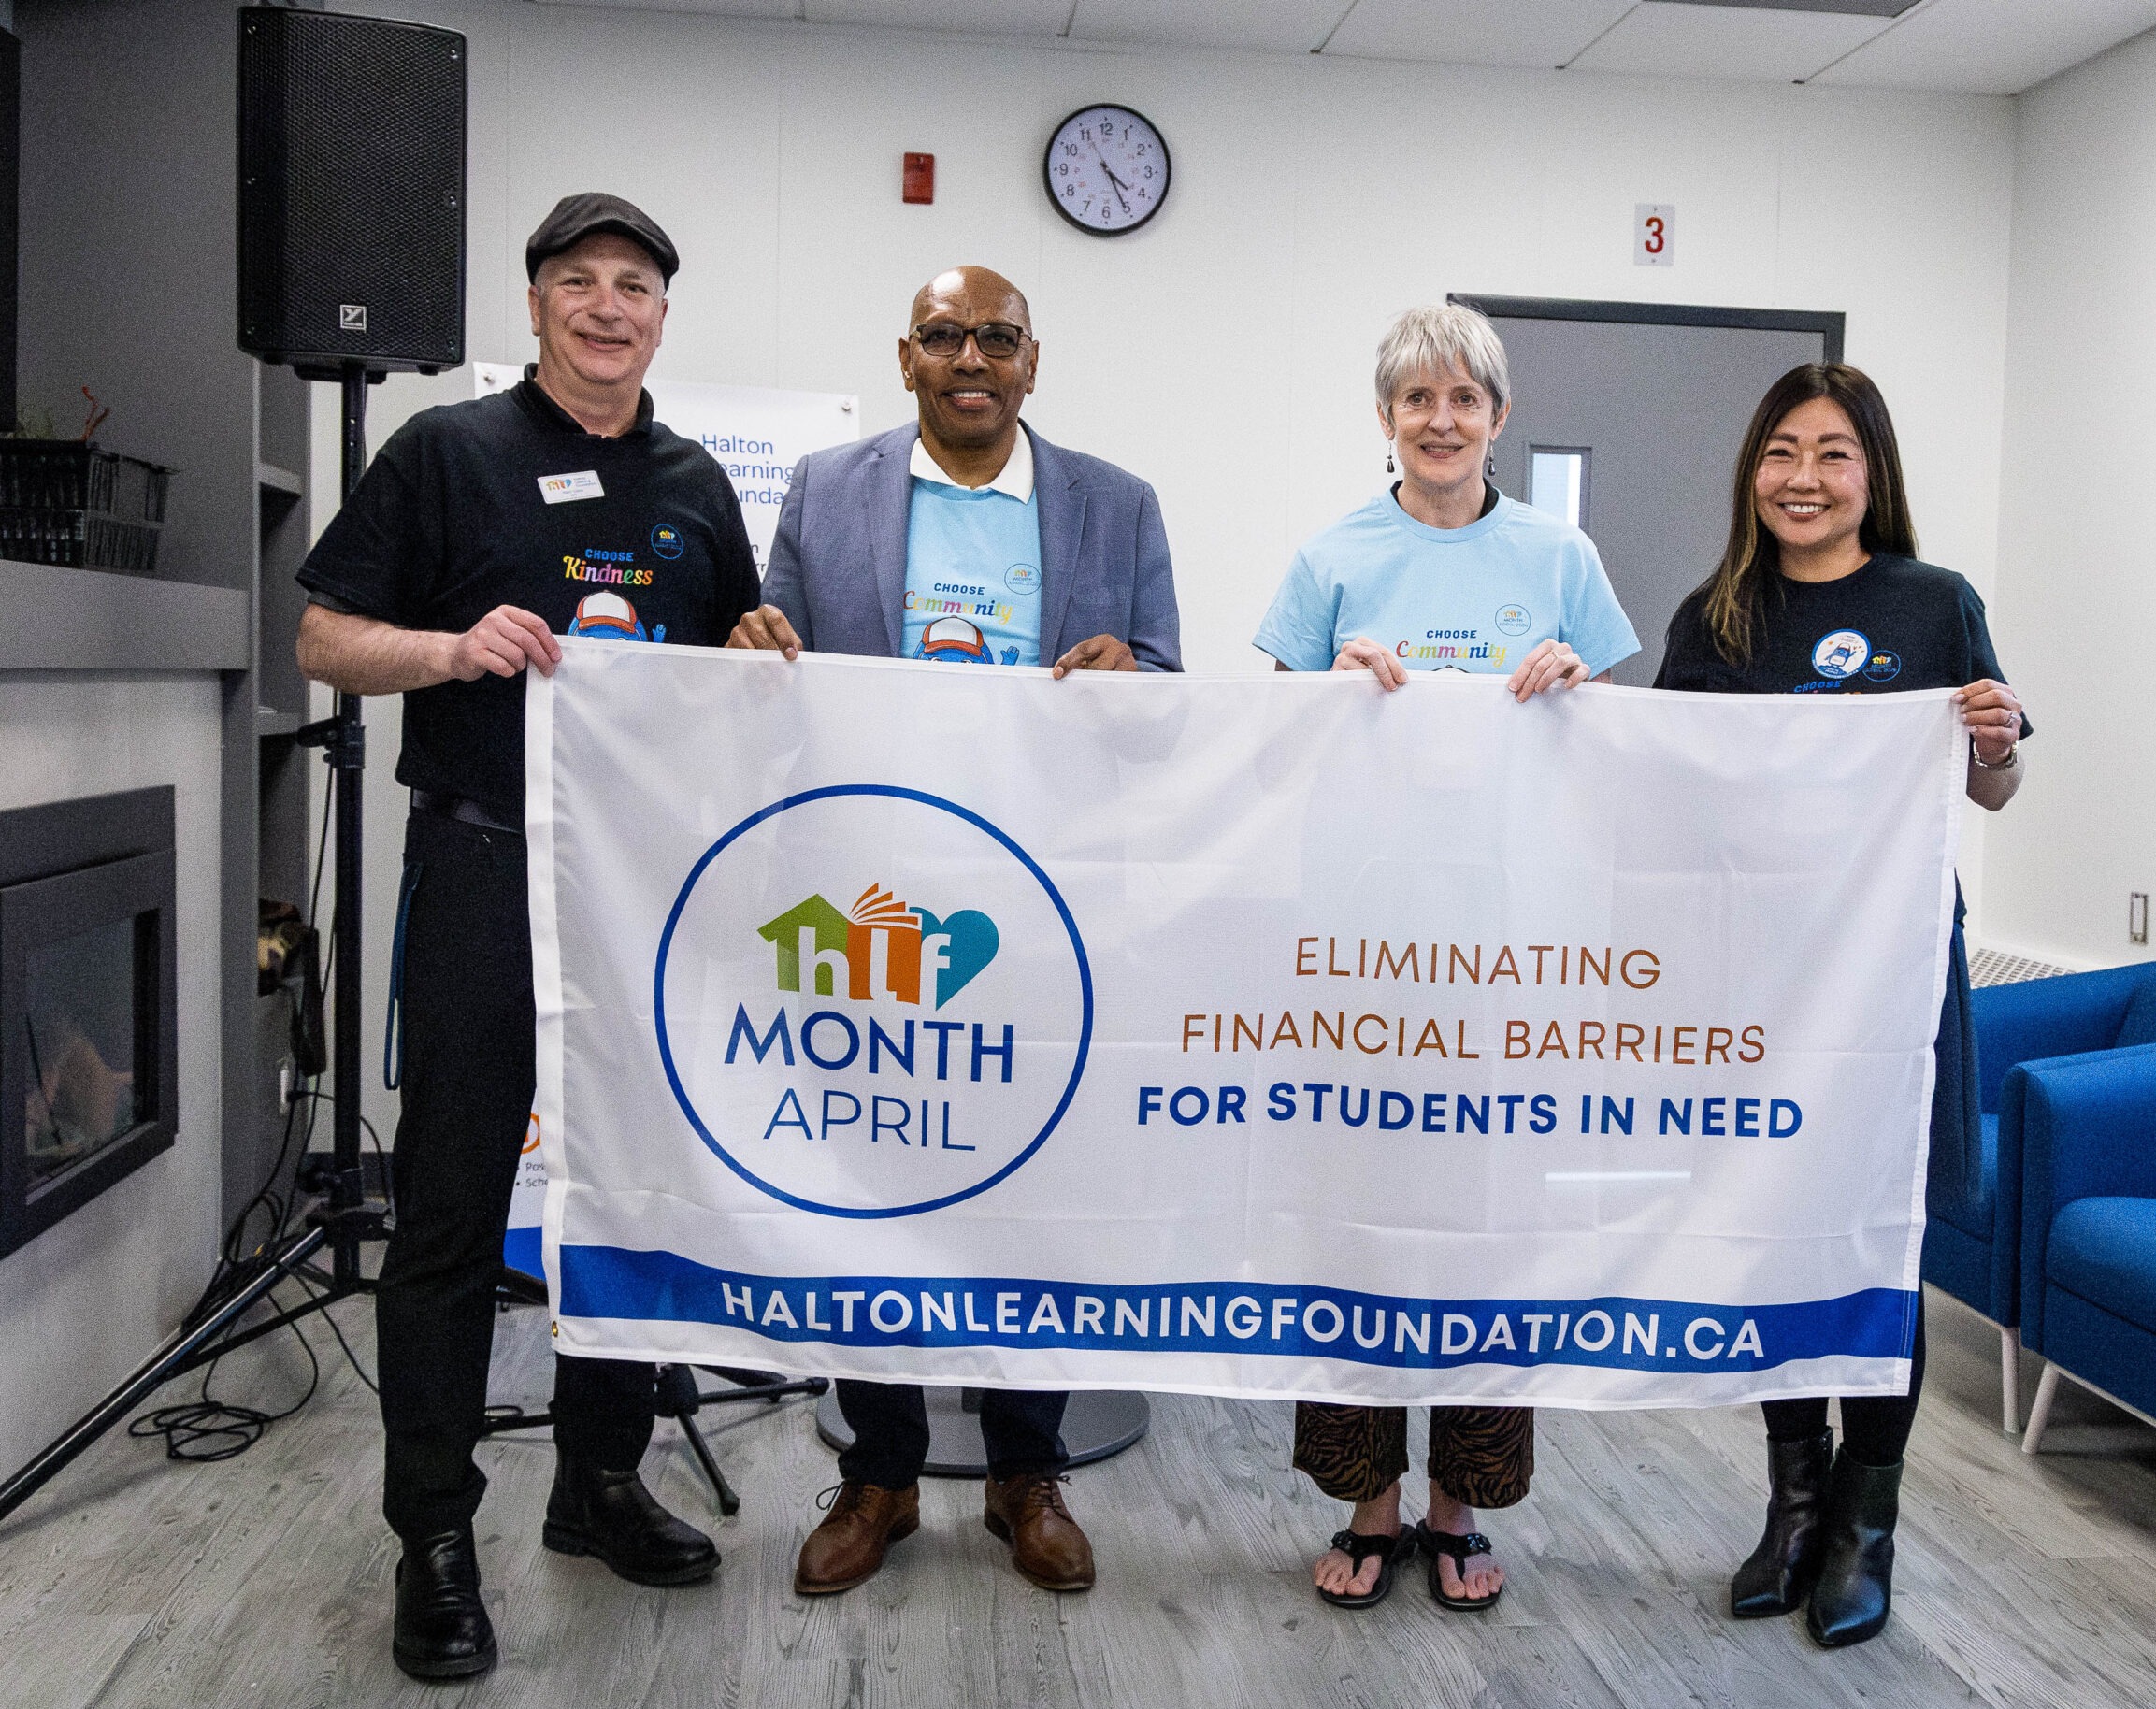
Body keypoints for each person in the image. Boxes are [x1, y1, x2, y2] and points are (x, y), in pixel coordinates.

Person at [296, 194, 758, 1682]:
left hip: (646, 891)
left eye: (635, 287)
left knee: (633, 1197)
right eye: (581, 284)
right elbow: (320, 635)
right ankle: (433, 1533)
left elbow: (733, 664)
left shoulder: (694, 485)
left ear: (662, 317)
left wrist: (764, 649)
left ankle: (601, 1480)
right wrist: (446, 648)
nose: (609, 308)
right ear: (539, 303)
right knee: (448, 1204)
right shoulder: (445, 452)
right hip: (488, 869)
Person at [726, 264, 1181, 1597]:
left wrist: (1132, 679)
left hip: (1044, 902)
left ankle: (1023, 1471)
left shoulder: (1117, 503)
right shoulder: (825, 490)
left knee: (1038, 1182)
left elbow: (1164, 685)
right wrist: (758, 646)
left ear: (1034, 361)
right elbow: (778, 669)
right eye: (944, 335)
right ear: (908, 356)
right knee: (873, 1177)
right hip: (876, 896)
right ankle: (881, 1475)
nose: (969, 356)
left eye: (997, 336)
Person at [1251, 302, 1640, 1612]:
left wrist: (1578, 687)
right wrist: (1326, 691)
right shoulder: (1331, 560)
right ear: (1384, 418)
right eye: (1415, 398)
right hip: (1358, 952)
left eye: (1464, 397)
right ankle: (1369, 1502)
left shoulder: (1561, 554)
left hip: (1507, 951)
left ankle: (1461, 1505)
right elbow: (1262, 749)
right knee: (1354, 1219)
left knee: (1487, 1229)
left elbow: (1623, 751)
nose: (1440, 419)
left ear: (1499, 416)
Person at [1654, 361, 2028, 1649]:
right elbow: (1666, 795)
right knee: (1775, 1230)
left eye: (1833, 454)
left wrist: (1991, 744)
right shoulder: (1715, 618)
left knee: (1882, 1244)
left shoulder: (1935, 605)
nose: (1803, 479)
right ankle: (1793, 1507)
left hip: (1894, 975)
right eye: (1780, 452)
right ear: (1750, 469)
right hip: (1761, 979)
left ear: (1874, 473)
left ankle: (1868, 1528)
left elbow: (1992, 792)